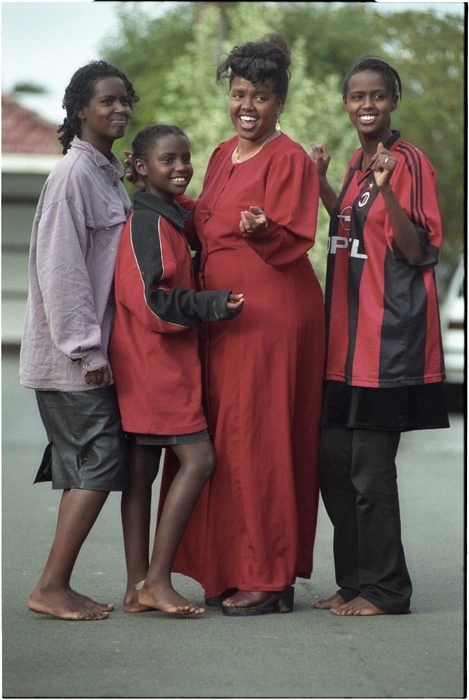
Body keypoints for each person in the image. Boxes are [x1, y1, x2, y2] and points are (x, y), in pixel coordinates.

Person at [157, 34, 325, 616]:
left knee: (263, 440)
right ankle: (228, 566)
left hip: (272, 315)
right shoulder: (223, 153)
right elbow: (203, 222)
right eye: (239, 93)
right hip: (222, 317)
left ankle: (270, 575)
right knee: (225, 441)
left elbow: (296, 236)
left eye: (261, 96)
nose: (247, 105)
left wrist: (263, 230)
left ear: (281, 103)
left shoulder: (292, 159)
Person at [310, 56, 449, 616]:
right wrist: (322, 182)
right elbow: (347, 226)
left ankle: (387, 590)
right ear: (346, 104)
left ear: (393, 101)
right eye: (356, 96)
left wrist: (389, 189)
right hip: (343, 346)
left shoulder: (408, 164)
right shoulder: (354, 162)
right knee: (334, 467)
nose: (366, 105)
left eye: (377, 96)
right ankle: (354, 581)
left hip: (386, 346)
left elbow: (418, 251)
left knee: (370, 474)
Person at [19, 60, 139, 621]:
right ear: (80, 110)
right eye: (107, 101)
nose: (119, 109)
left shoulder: (105, 173)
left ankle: (56, 585)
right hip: (74, 359)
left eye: (124, 101)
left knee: (86, 464)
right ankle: (50, 586)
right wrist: (86, 351)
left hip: (95, 353)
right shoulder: (72, 177)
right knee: (99, 460)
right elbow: (61, 270)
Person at [108, 124, 245, 615]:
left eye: (186, 158)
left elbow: (200, 216)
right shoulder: (148, 223)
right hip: (155, 366)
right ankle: (157, 580)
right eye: (169, 159)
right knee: (200, 461)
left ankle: (135, 589)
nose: (183, 167)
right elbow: (152, 301)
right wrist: (212, 304)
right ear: (142, 168)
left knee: (143, 471)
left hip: (147, 362)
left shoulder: (166, 214)